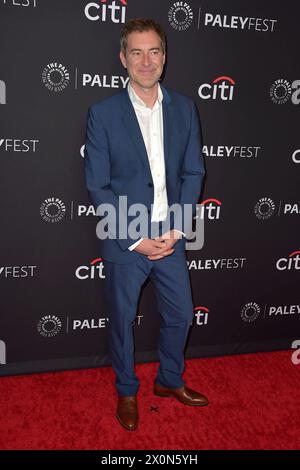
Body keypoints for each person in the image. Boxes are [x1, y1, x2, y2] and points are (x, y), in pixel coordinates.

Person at [84, 18, 208, 431]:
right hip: (127, 237)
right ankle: (126, 390)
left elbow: (193, 174)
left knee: (181, 316)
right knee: (122, 322)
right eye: (136, 52)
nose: (146, 60)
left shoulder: (186, 108)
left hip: (170, 233)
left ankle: (168, 380)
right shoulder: (102, 114)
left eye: (154, 51)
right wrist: (135, 240)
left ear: (164, 57)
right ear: (123, 58)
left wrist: (175, 230)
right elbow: (98, 185)